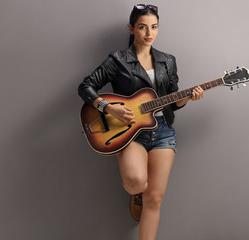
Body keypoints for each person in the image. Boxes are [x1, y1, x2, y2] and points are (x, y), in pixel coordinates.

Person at [78, 4, 204, 240]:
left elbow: (173, 101)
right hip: (130, 132)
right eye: (143, 27)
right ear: (132, 28)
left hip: (163, 131)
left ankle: (144, 201)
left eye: (154, 27)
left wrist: (188, 97)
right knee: (137, 183)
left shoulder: (168, 60)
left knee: (154, 199)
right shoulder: (117, 59)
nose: (149, 33)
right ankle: (136, 193)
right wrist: (109, 108)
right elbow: (86, 86)